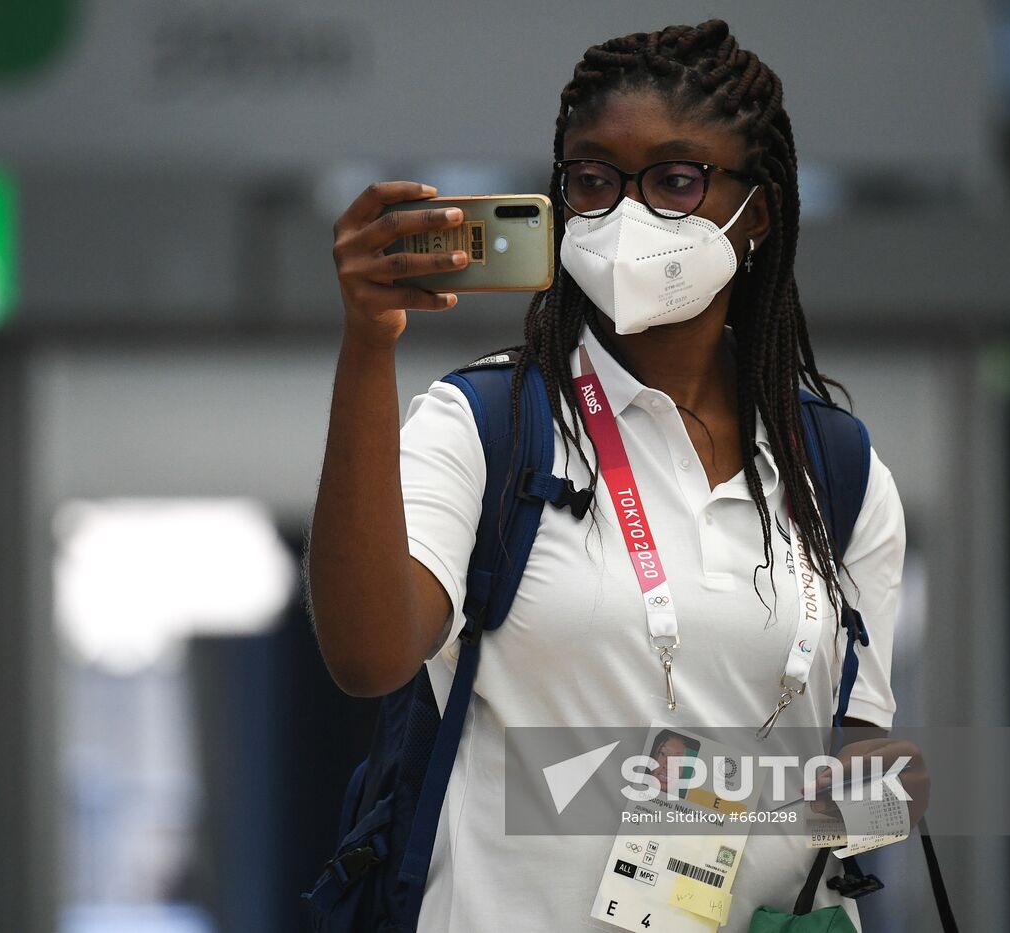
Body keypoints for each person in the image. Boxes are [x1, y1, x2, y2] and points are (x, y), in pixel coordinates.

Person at [308, 20, 924, 932]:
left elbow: (857, 749)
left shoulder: (835, 468)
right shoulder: (489, 425)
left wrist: (871, 799)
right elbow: (366, 657)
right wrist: (368, 347)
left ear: (755, 213)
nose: (626, 214)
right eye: (594, 179)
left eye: (676, 180)